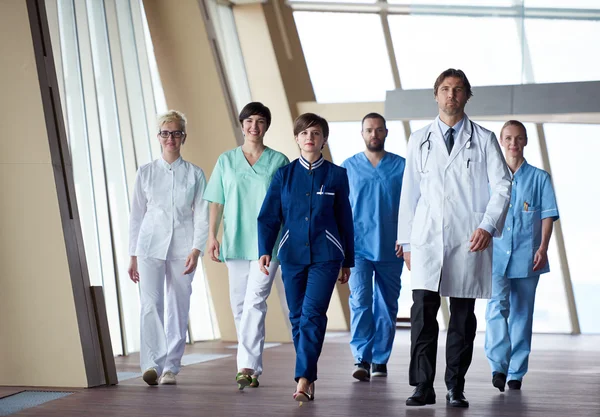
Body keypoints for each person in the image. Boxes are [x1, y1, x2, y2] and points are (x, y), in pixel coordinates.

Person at [397, 69, 511, 408]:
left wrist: (488, 225)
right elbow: (409, 194)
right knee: (422, 314)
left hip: (468, 238)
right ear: (436, 95)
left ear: (467, 96)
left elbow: (503, 185)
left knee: (462, 318)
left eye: (458, 90)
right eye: (445, 89)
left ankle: (455, 386)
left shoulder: (485, 138)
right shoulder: (419, 139)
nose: (451, 95)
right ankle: (422, 386)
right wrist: (405, 243)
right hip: (427, 239)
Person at [257, 113, 354, 402]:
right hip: (292, 254)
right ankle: (308, 376)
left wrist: (348, 259)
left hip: (327, 255)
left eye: (315, 133)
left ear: (324, 139)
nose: (309, 137)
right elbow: (269, 216)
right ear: (297, 138)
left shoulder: (337, 175)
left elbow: (345, 219)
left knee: (312, 315)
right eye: (304, 133)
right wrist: (265, 249)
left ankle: (302, 379)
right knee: (297, 317)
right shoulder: (284, 175)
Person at [203, 102, 289, 389]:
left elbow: (286, 203)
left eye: (260, 121)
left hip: (268, 243)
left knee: (255, 301)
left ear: (267, 126)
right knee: (239, 305)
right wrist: (212, 236)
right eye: (249, 120)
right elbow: (216, 200)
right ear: (241, 125)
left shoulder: (279, 161)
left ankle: (246, 366)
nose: (254, 126)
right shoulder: (226, 160)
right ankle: (253, 366)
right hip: (236, 239)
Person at [128, 110, 209, 386]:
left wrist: (197, 250)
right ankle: (151, 363)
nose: (170, 138)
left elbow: (202, 216)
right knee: (150, 304)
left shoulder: (195, 174)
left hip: (183, 249)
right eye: (165, 133)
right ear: (158, 136)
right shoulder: (146, 173)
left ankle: (171, 366)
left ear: (183, 137)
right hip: (149, 246)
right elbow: (137, 216)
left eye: (175, 133)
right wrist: (132, 255)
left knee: (178, 305)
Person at [485, 120, 559, 392]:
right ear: (501, 141)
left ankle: (516, 371)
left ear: (525, 141)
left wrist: (543, 247)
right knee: (495, 308)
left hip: (529, 256)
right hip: (494, 254)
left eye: (518, 138)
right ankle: (498, 366)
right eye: (508, 138)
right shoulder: (491, 176)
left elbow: (548, 215)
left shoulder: (540, 178)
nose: (513, 143)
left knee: (522, 314)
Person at [341, 113, 406, 381]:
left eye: (379, 130)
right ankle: (361, 358)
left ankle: (380, 358)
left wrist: (407, 238)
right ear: (362, 134)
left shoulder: (402, 167)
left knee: (387, 305)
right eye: (369, 130)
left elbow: (412, 207)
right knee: (360, 302)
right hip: (358, 248)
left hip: (392, 247)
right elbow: (340, 210)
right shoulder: (347, 167)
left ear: (387, 133)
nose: (374, 135)